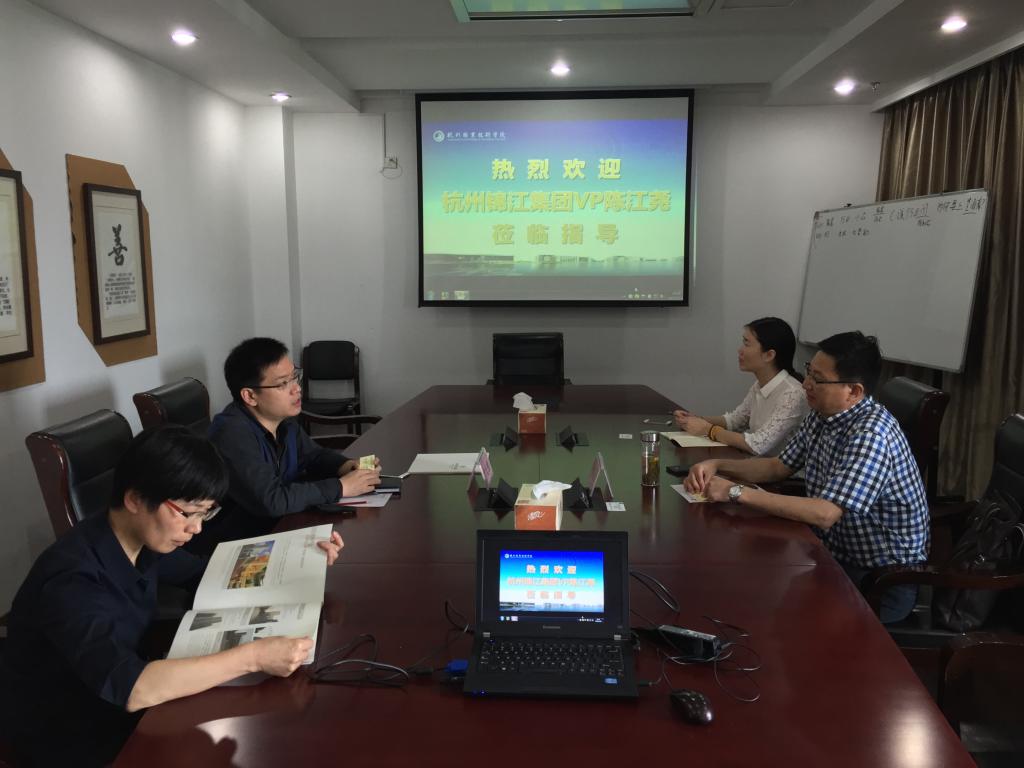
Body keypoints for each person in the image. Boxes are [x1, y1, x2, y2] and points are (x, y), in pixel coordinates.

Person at [0, 426, 345, 767]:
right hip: (71, 732)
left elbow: (209, 572)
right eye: (188, 512)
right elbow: (132, 687)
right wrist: (254, 657)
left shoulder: (137, 539)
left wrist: (302, 555)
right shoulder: (71, 580)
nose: (196, 528)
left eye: (205, 513)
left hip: (121, 702)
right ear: (135, 499)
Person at [683, 331, 929, 624]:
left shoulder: (871, 434)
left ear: (854, 391)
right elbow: (778, 467)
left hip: (879, 581)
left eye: (818, 379)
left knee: (769, 615)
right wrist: (717, 464)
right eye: (809, 372)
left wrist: (735, 492)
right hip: (833, 555)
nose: (806, 384)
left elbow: (825, 513)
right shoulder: (824, 413)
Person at [200, 337, 380, 553]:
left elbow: (313, 456)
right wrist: (341, 487)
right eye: (282, 384)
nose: (296, 389)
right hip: (237, 546)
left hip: (281, 528)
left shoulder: (281, 420)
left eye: (295, 377)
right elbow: (271, 500)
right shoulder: (231, 434)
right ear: (250, 396)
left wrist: (346, 466)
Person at [673, 317, 808, 455]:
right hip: (755, 464)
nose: (740, 350)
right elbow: (736, 421)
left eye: (747, 344)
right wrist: (695, 420)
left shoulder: (793, 394)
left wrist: (708, 430)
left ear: (769, 355)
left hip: (777, 468)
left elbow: (758, 444)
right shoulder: (759, 385)